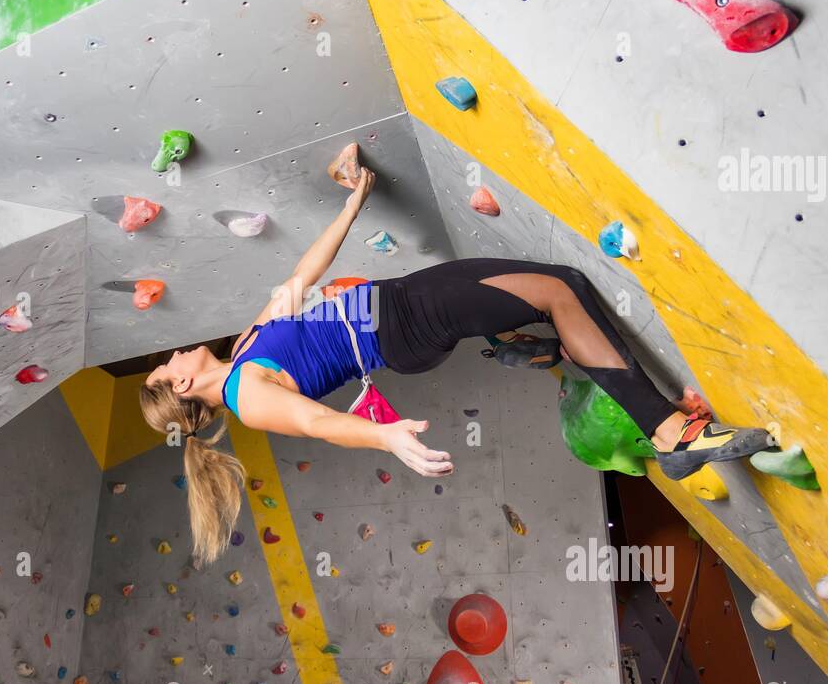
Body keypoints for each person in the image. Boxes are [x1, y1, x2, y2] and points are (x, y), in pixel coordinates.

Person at [141, 167, 773, 564]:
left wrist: (354, 200)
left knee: (532, 297)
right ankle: (671, 434)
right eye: (165, 367)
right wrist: (384, 436)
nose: (172, 353)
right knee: (561, 287)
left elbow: (299, 277)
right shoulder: (249, 394)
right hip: (409, 321)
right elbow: (318, 424)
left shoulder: (248, 346)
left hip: (406, 311)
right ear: (183, 385)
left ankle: (528, 345)